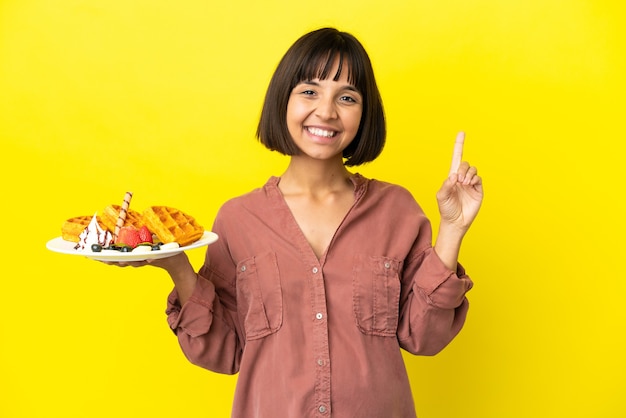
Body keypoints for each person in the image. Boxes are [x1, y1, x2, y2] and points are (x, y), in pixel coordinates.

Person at [112, 27, 483, 418]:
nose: (326, 111)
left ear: (365, 112)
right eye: (309, 91)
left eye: (346, 97)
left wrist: (452, 229)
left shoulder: (397, 210)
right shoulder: (238, 219)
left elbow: (424, 337)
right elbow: (223, 350)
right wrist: (177, 266)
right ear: (283, 100)